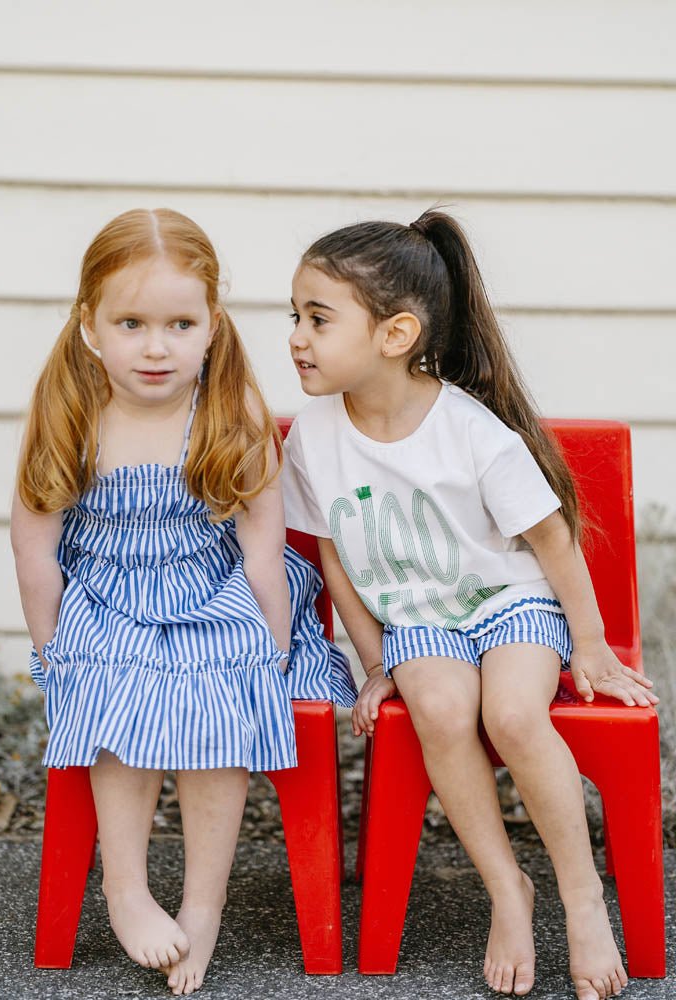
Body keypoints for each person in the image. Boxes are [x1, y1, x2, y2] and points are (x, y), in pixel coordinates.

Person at [281, 211, 658, 1000]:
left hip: (509, 602)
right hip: (419, 623)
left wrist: (590, 650)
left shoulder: (470, 430)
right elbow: (336, 558)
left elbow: (553, 542)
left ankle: (582, 899)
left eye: (318, 319)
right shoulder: (312, 438)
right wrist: (377, 661)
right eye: (296, 318)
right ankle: (506, 890)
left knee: (515, 716)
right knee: (441, 709)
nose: (297, 337)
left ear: (395, 333)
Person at [11, 208, 355, 996]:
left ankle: (204, 903)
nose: (156, 346)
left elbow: (264, 547)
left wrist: (269, 644)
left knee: (224, 688)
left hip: (214, 591)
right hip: (108, 595)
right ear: (91, 328)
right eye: (130, 323)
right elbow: (34, 546)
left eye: (179, 323)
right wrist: (52, 648)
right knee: (110, 682)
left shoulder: (228, 416)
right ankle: (124, 889)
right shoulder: (71, 416)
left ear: (210, 326)